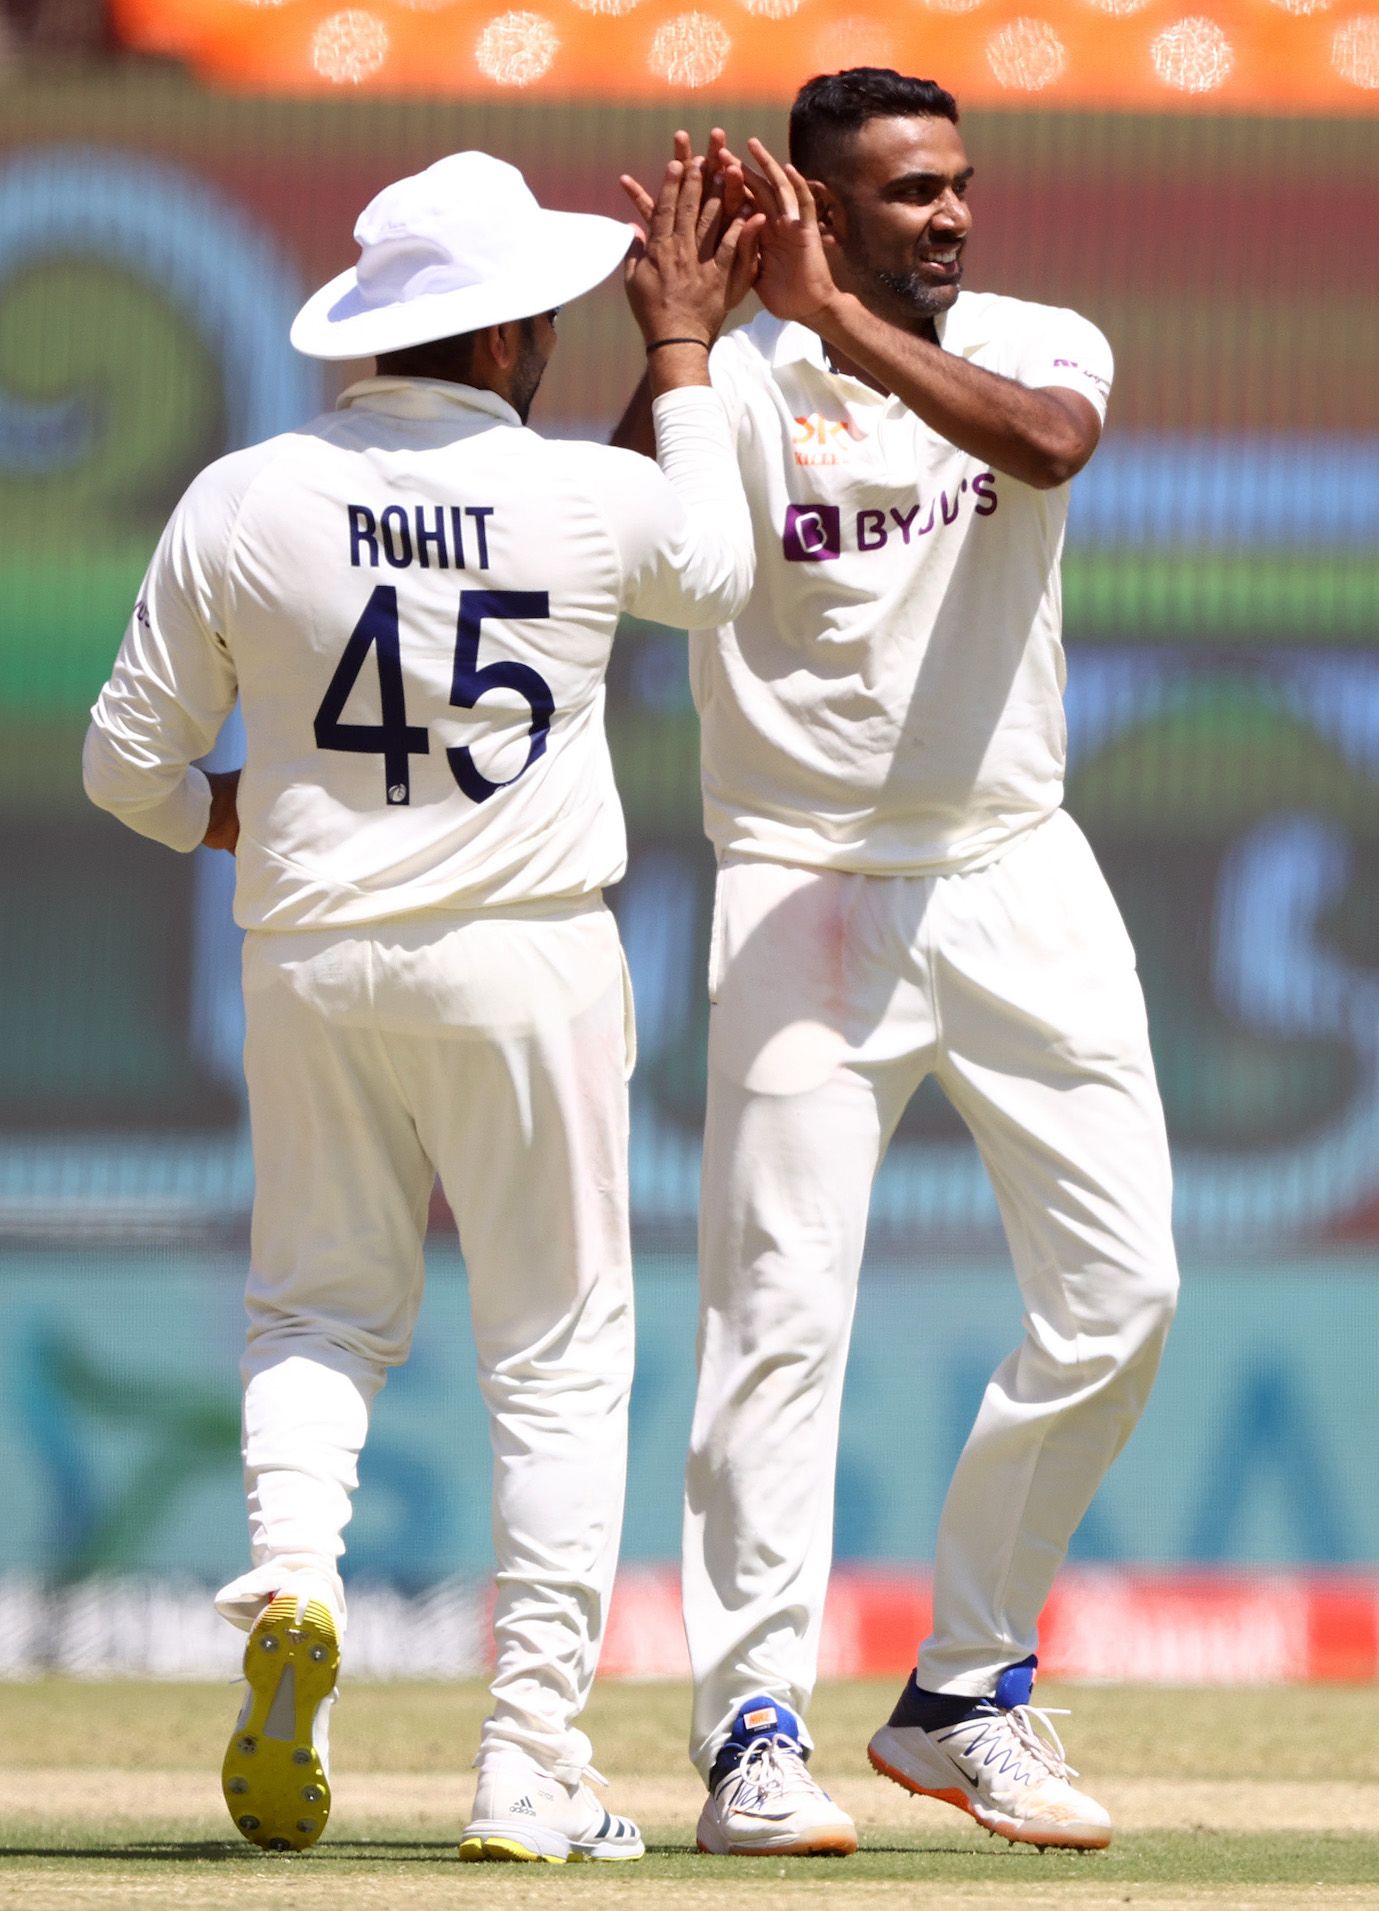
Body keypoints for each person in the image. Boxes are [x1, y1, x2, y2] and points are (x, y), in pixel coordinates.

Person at [83, 149, 757, 1865]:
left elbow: (122, 766)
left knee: (314, 1318)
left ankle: (296, 1582)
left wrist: (224, 813)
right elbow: (720, 569)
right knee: (557, 1360)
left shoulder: (246, 492)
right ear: (521, 334)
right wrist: (680, 348)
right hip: (526, 952)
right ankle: (527, 1767)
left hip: (310, 951)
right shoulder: (581, 502)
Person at [616, 69, 1179, 1857]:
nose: (946, 213)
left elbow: (1050, 446)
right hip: (801, 887)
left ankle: (961, 1692)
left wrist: (839, 322)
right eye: (903, 192)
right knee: (776, 1325)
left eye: (954, 183)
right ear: (819, 199)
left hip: (1018, 862)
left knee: (1124, 1296)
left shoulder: (1030, 336)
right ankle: (753, 1735)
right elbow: (643, 544)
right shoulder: (744, 378)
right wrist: (686, 343)